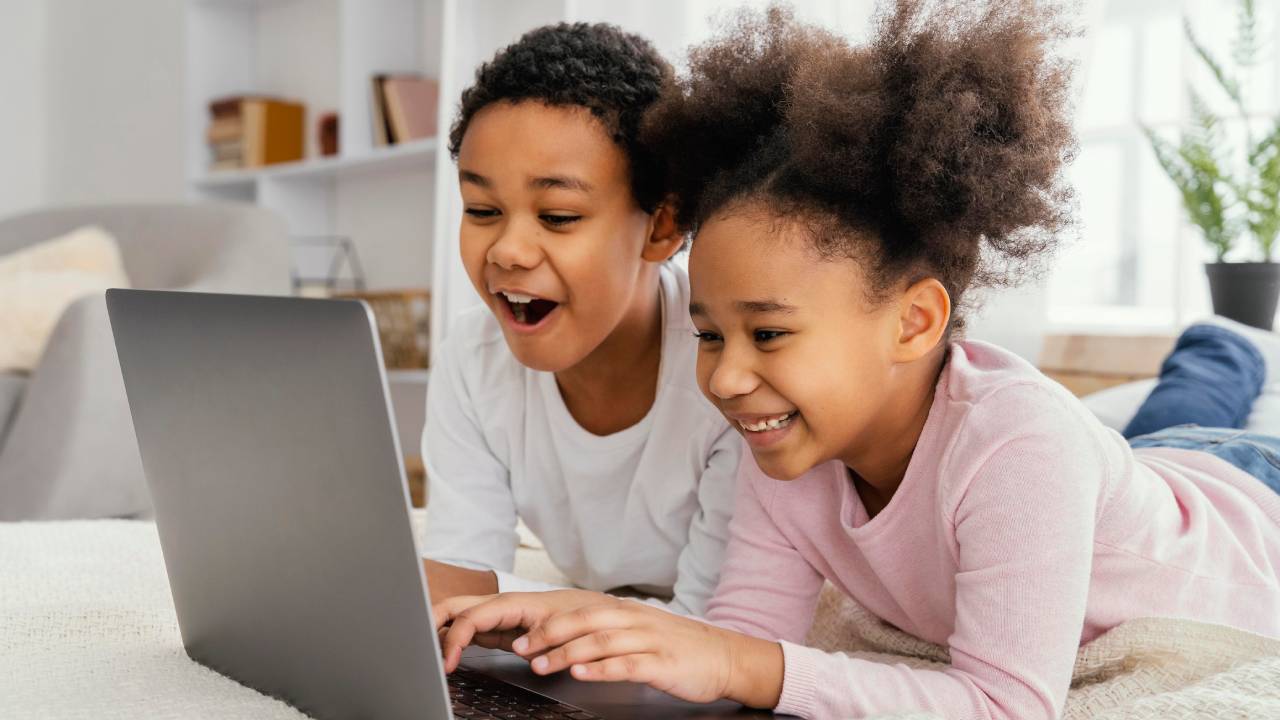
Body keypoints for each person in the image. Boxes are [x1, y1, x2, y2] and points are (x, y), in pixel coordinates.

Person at [431, 4, 1280, 719]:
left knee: (1180, 421)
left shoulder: (1020, 446)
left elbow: (1004, 704)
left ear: (914, 322)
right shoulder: (784, 442)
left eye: (767, 334)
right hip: (1132, 476)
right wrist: (587, 629)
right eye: (711, 333)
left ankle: (1230, 345)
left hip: (1245, 499)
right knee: (1140, 439)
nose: (724, 378)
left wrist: (741, 666)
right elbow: (738, 642)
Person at [420, 22, 741, 616]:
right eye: (482, 209)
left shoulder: (730, 375)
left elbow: (712, 633)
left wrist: (496, 600)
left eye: (559, 215)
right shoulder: (473, 357)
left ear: (661, 227)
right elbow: (461, 582)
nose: (509, 250)